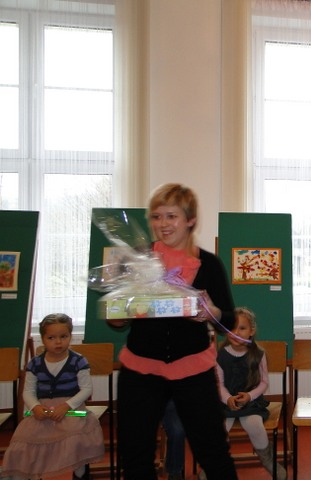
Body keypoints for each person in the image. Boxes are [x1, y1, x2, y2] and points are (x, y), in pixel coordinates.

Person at [111, 183, 238, 479]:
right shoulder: (136, 260)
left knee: (213, 453)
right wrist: (117, 315)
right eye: (156, 217)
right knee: (135, 456)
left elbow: (229, 320)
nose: (163, 224)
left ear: (190, 219)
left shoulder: (209, 264)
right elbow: (117, 319)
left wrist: (212, 312)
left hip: (193, 371)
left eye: (171, 216)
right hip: (140, 371)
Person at [1, 314, 104, 480]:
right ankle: (28, 473)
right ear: (43, 339)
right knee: (24, 438)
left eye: (64, 336)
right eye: (51, 338)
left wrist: (66, 406)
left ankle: (78, 470)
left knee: (74, 437)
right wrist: (35, 407)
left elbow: (86, 389)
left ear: (70, 336)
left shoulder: (78, 361)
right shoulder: (35, 364)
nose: (58, 342)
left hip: (72, 410)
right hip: (43, 410)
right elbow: (28, 392)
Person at [216, 307, 287, 480]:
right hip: (226, 403)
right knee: (218, 428)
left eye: (242, 328)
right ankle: (215, 464)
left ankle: (267, 459)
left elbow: (264, 382)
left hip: (251, 402)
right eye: (231, 328)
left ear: (251, 331)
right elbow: (219, 384)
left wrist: (249, 396)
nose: (236, 333)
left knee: (254, 424)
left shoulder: (258, 354)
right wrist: (228, 399)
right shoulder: (220, 356)